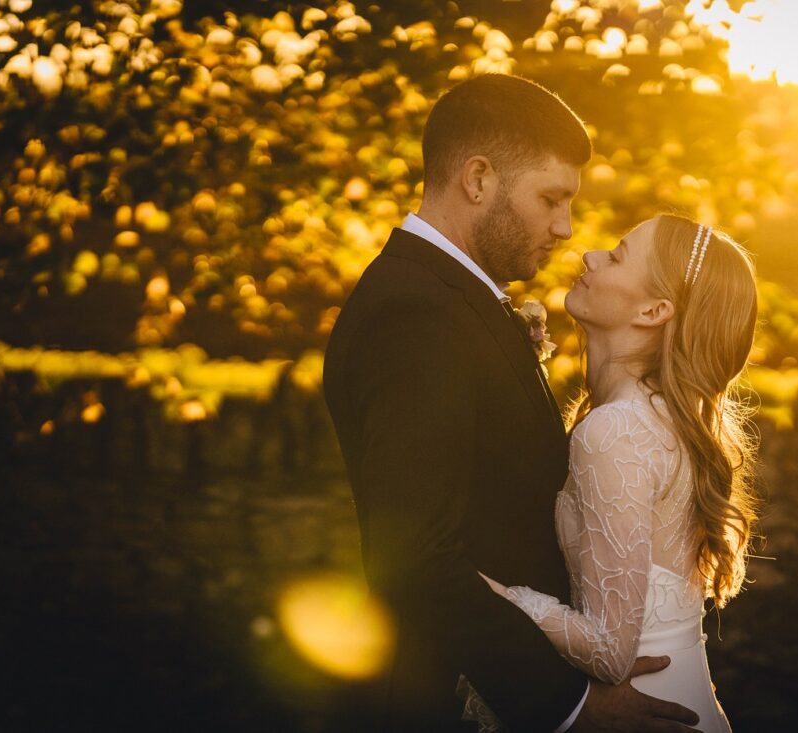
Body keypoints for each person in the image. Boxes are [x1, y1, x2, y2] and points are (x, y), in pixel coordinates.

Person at [322, 74, 700, 732]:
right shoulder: (416, 315)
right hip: (444, 700)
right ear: (478, 179)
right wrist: (568, 705)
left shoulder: (450, 298)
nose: (566, 227)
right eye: (551, 198)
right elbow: (412, 555)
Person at [469, 215, 761, 732]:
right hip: (680, 700)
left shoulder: (617, 431)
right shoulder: (663, 418)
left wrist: (491, 593)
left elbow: (608, 652)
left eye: (618, 255)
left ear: (655, 310)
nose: (590, 257)